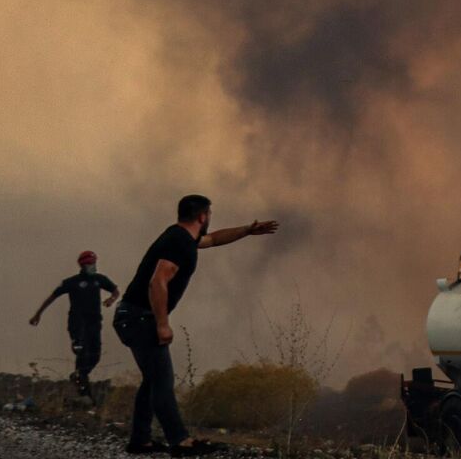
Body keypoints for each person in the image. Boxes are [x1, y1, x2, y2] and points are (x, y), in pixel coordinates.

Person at [113, 194, 278, 457]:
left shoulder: (180, 237)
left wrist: (247, 230)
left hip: (132, 316)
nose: (210, 219)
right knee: (163, 381)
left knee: (153, 380)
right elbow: (157, 282)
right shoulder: (179, 243)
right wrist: (162, 324)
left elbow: (212, 240)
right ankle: (180, 442)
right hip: (140, 318)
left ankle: (140, 441)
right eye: (209, 214)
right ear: (202, 216)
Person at [29, 250, 119, 396]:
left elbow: (115, 290)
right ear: (83, 265)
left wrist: (111, 299)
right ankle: (82, 388)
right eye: (90, 263)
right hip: (77, 323)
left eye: (94, 263)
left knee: (95, 355)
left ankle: (79, 375)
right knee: (81, 351)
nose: (93, 266)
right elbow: (53, 296)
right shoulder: (72, 282)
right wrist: (38, 314)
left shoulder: (99, 279)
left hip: (95, 322)